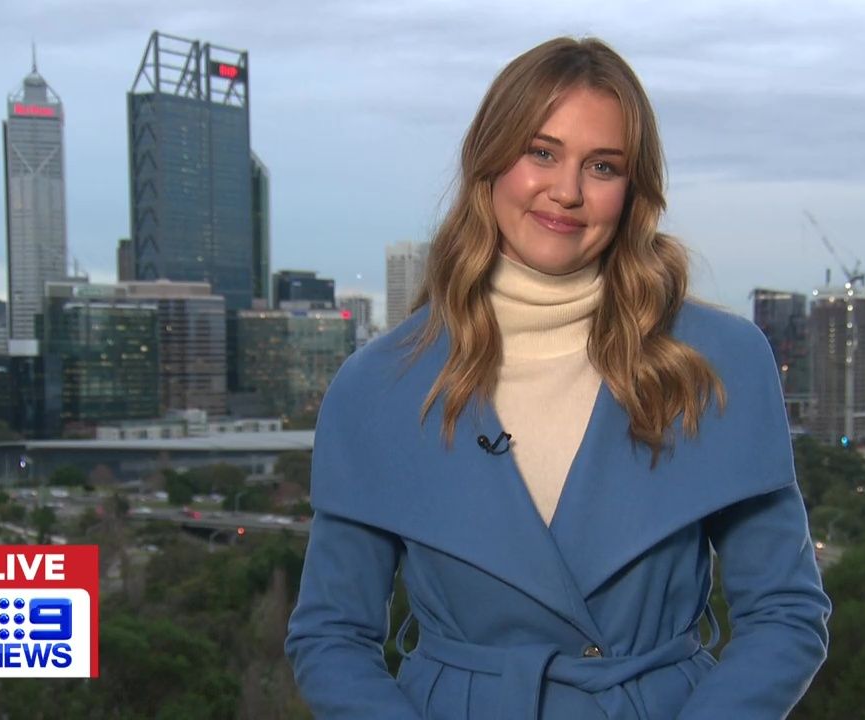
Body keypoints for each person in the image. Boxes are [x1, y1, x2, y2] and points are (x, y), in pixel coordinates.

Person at [286, 36, 830, 719]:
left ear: (632, 190)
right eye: (541, 153)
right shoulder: (377, 387)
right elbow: (332, 636)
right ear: (490, 160)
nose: (567, 192)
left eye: (602, 166)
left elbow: (784, 614)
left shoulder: (719, 363)